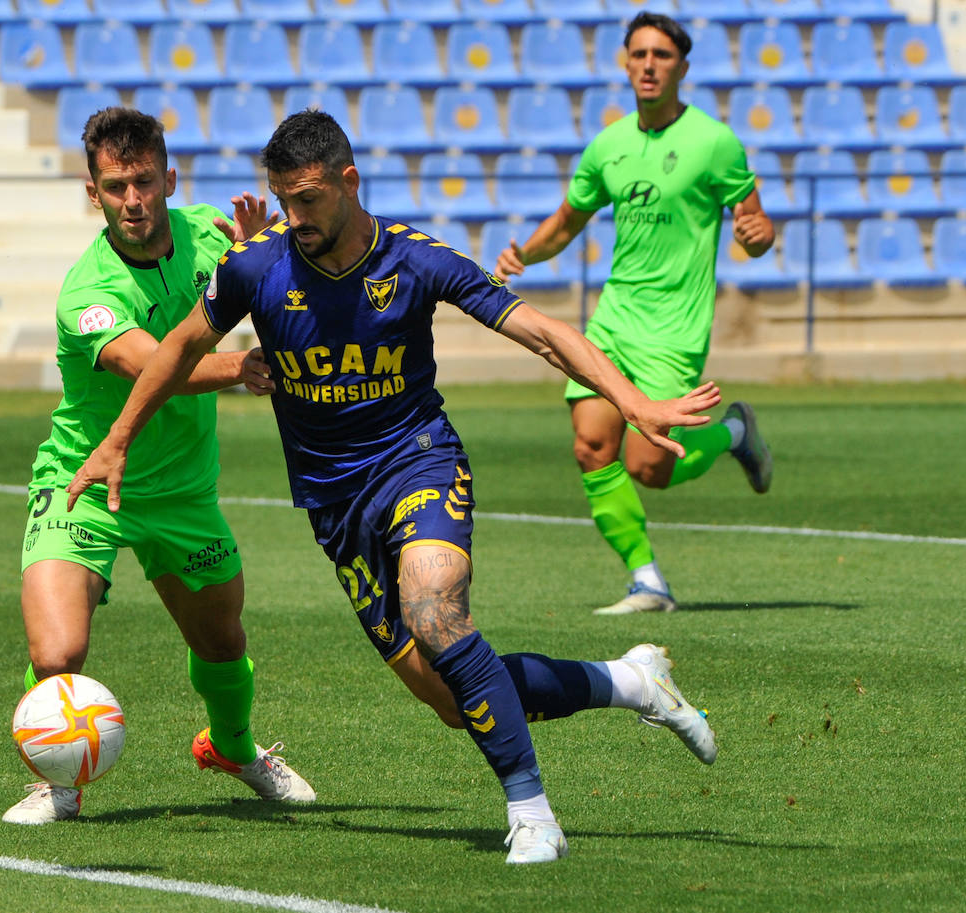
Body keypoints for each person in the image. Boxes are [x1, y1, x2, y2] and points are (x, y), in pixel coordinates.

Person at [67, 110, 720, 865]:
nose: (295, 217)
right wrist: (117, 440)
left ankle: (532, 811)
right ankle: (632, 680)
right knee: (454, 698)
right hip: (334, 504)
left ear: (349, 181)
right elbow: (178, 349)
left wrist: (632, 401)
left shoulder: (416, 259)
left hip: (418, 462)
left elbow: (540, 329)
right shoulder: (257, 267)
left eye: (308, 199)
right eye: (284, 200)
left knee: (436, 612)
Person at [3, 107, 315, 826]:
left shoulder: (210, 234)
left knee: (222, 641)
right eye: (115, 187)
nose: (133, 200)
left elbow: (287, 279)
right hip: (86, 479)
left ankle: (234, 749)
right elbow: (149, 362)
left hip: (181, 489)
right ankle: (59, 779)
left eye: (144, 181)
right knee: (58, 651)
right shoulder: (88, 291)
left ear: (169, 178)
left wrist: (262, 257)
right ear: (94, 193)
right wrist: (239, 365)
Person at [494, 11, 777, 616]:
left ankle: (733, 433)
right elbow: (568, 222)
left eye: (662, 55)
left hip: (675, 328)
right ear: (625, 64)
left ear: (682, 67)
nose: (649, 65)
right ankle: (648, 581)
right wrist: (525, 253)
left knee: (648, 466)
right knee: (592, 446)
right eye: (639, 54)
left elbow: (755, 227)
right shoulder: (609, 146)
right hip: (615, 321)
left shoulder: (714, 142)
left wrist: (757, 236)